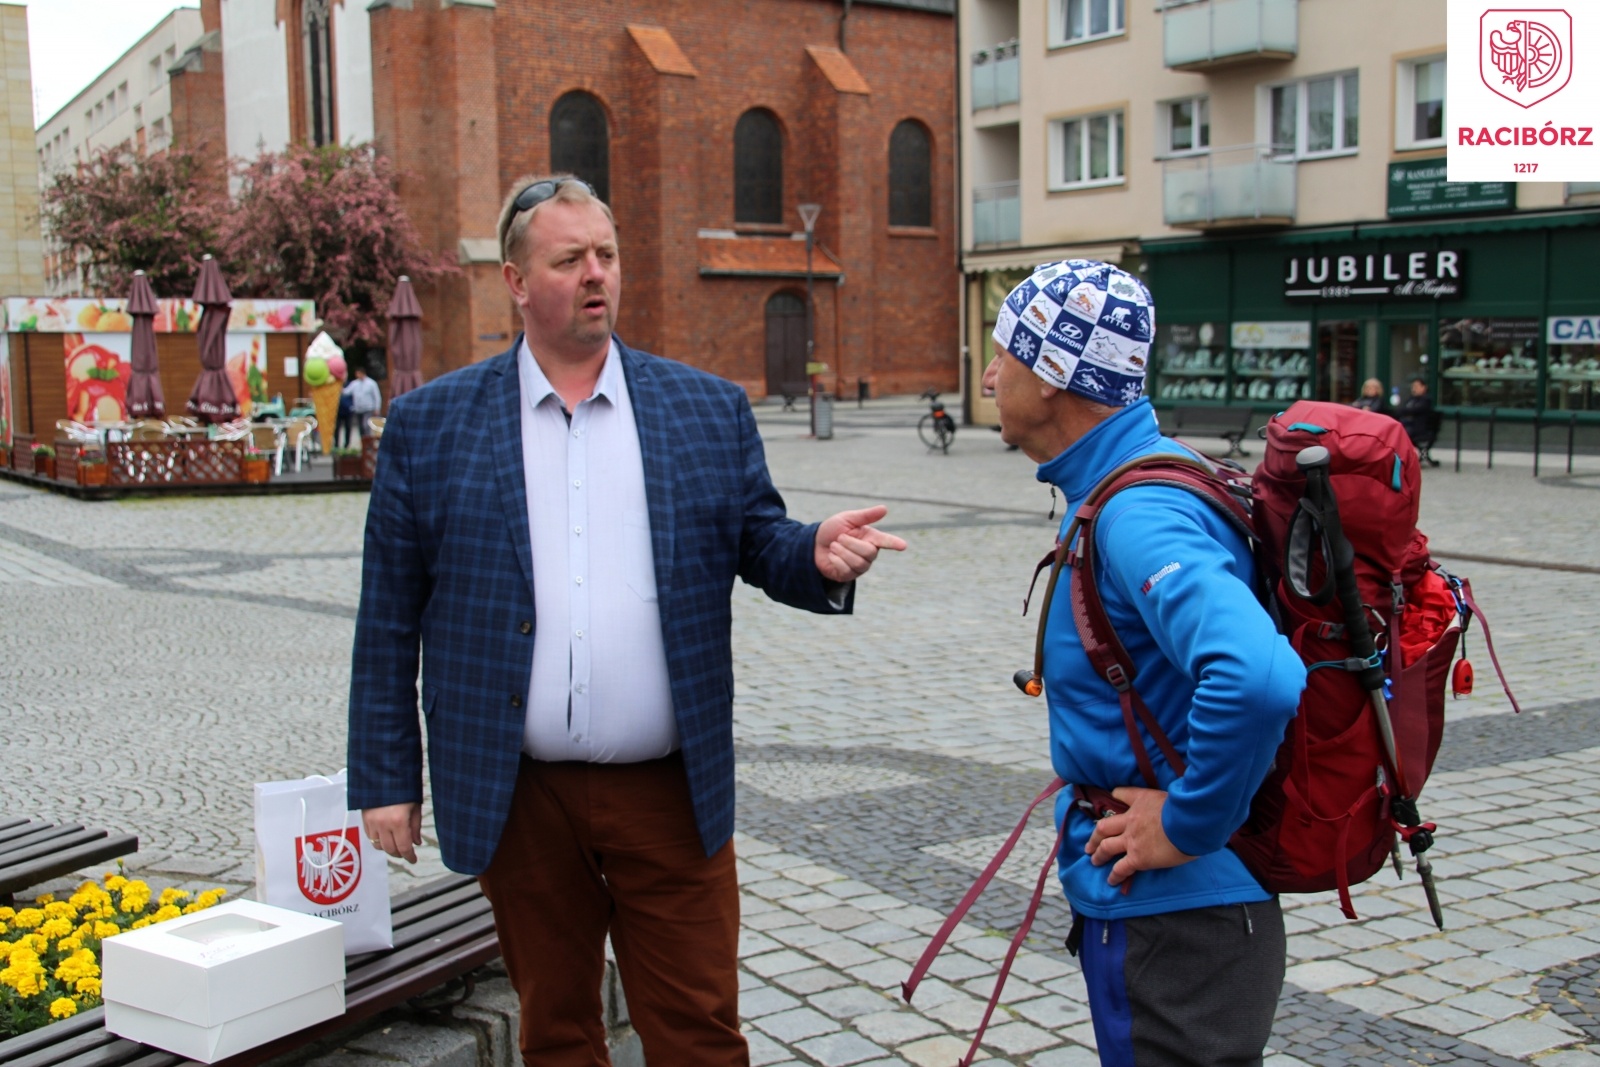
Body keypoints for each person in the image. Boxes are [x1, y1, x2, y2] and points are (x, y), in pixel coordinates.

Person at [348, 175, 906, 1067]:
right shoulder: (432, 424)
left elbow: (758, 538)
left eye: (605, 255)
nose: (595, 274)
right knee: (558, 1029)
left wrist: (814, 552)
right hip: (519, 791)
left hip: (669, 789)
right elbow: (387, 619)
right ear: (518, 281)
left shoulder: (700, 407)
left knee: (698, 1031)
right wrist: (385, 778)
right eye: (569, 259)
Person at [982, 260, 1305, 1067]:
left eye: (1003, 353)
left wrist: (1191, 822)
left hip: (1178, 919)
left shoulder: (1139, 512)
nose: (988, 373)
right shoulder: (1132, 483)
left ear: (1054, 374)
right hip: (1176, 916)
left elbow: (1259, 674)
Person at [1396, 376, 1438, 463]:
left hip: (1418, 429)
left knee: (1401, 433)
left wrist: (1406, 412)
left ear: (1424, 387)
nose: (1414, 389)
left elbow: (1415, 411)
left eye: (1417, 386)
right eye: (1413, 387)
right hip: (1407, 425)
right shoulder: (1410, 399)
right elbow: (1401, 410)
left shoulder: (1426, 400)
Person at [340, 365, 382, 446]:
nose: (357, 375)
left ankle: (369, 443)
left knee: (365, 425)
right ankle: (363, 443)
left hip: (368, 408)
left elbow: (377, 396)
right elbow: (346, 392)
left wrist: (377, 408)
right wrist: (339, 388)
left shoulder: (371, 383)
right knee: (360, 428)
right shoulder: (355, 383)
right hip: (358, 409)